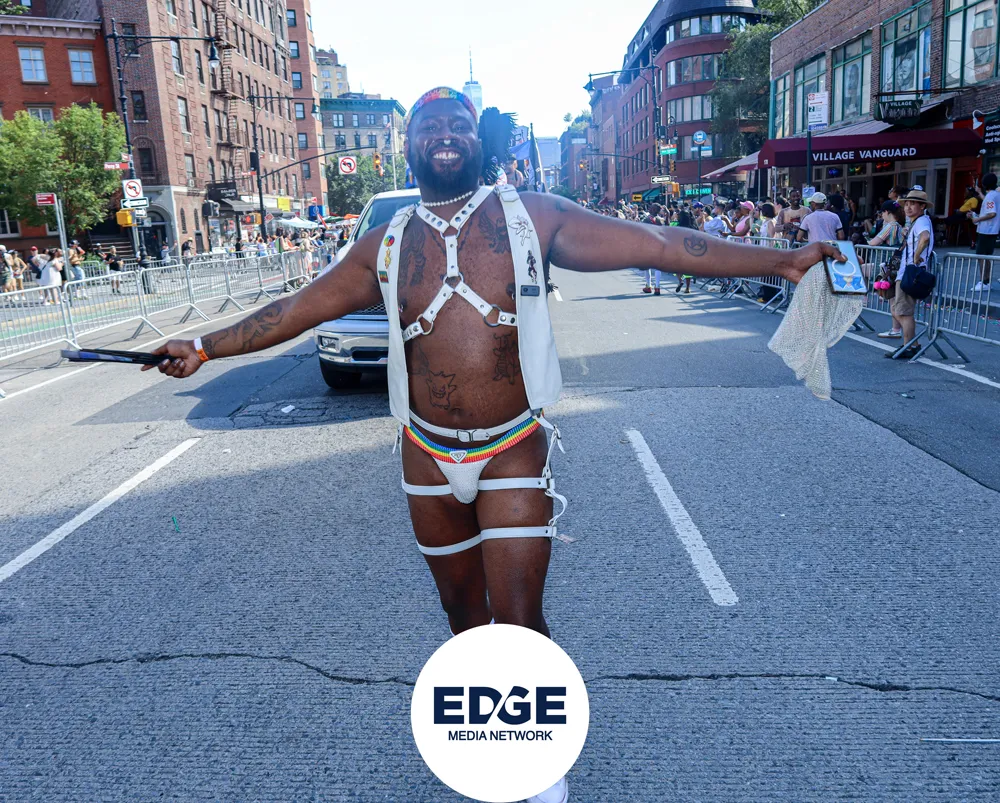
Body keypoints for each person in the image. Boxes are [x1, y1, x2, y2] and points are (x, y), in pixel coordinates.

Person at [144, 87, 839, 803]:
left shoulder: (532, 217)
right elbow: (293, 309)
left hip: (511, 448)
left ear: (480, 141)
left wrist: (782, 261)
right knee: (461, 617)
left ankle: (538, 764)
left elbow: (661, 245)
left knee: (519, 618)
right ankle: (489, 744)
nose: (445, 134)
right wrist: (204, 345)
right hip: (426, 454)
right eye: (430, 126)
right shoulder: (385, 244)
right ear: (409, 145)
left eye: (459, 124)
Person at [887, 189, 934, 360]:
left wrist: (916, 256)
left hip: (911, 272)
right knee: (898, 310)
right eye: (906, 204)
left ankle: (909, 346)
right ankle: (912, 345)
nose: (908, 207)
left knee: (903, 312)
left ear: (922, 207)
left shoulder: (921, 221)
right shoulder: (917, 221)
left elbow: (925, 237)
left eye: (913, 204)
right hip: (908, 271)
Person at [864, 201, 906, 340]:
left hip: (888, 265)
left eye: (882, 212)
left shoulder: (891, 226)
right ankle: (895, 329)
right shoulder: (898, 226)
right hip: (894, 265)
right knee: (893, 298)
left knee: (893, 299)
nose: (881, 215)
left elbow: (873, 242)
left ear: (887, 212)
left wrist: (866, 238)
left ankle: (899, 329)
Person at [968, 172, 1000, 291]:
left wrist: (977, 219)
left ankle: (984, 282)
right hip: (992, 230)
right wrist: (979, 192)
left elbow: (992, 213)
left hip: (986, 230)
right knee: (987, 257)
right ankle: (986, 281)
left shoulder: (991, 196)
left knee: (981, 256)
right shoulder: (996, 195)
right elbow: (989, 203)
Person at [642, 203, 664, 295]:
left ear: (652, 209)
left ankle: (648, 286)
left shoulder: (646, 219)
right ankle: (657, 287)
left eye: (651, 208)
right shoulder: (660, 220)